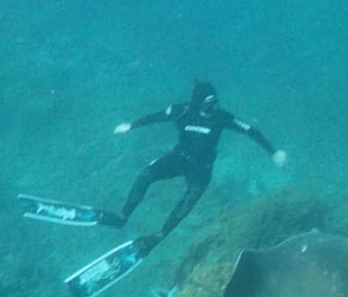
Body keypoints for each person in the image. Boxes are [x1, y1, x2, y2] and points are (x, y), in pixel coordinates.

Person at [102, 80, 286, 256]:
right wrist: (131, 126)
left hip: (201, 168)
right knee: (145, 175)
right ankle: (122, 216)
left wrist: (274, 152)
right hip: (178, 157)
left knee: (188, 201)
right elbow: (156, 117)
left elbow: (251, 131)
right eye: (209, 103)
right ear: (198, 103)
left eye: (216, 102)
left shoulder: (222, 117)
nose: (214, 106)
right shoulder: (182, 110)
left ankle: (159, 236)